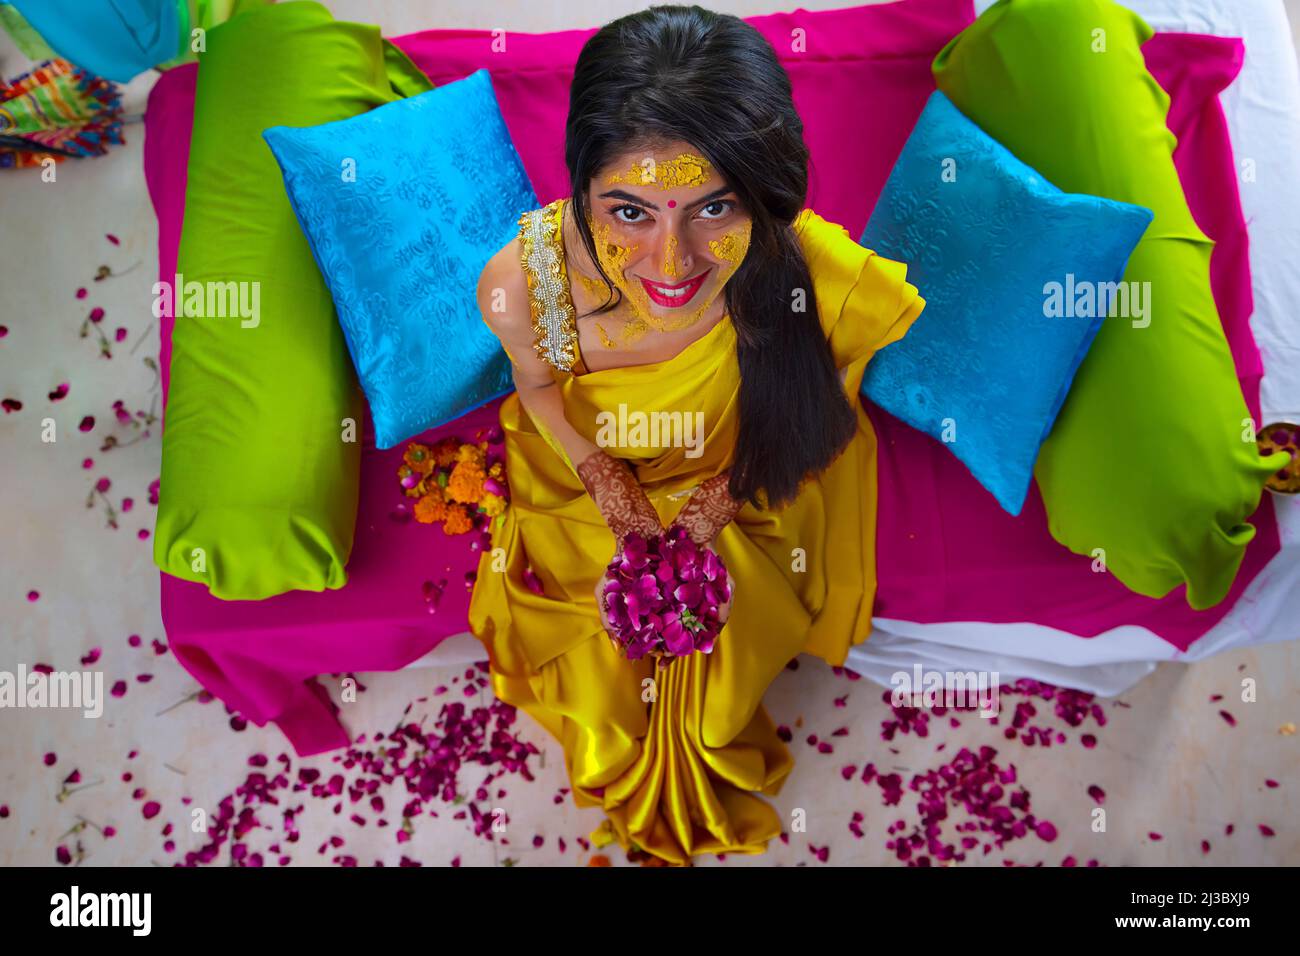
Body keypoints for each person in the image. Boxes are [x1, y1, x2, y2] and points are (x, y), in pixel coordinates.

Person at [470, 3, 924, 865]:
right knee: (602, 677)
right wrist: (607, 482)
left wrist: (718, 503)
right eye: (630, 213)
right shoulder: (525, 286)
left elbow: (811, 414)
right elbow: (537, 393)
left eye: (714, 208)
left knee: (718, 682)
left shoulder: (801, 268)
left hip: (747, 470)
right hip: (582, 475)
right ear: (581, 187)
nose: (673, 264)